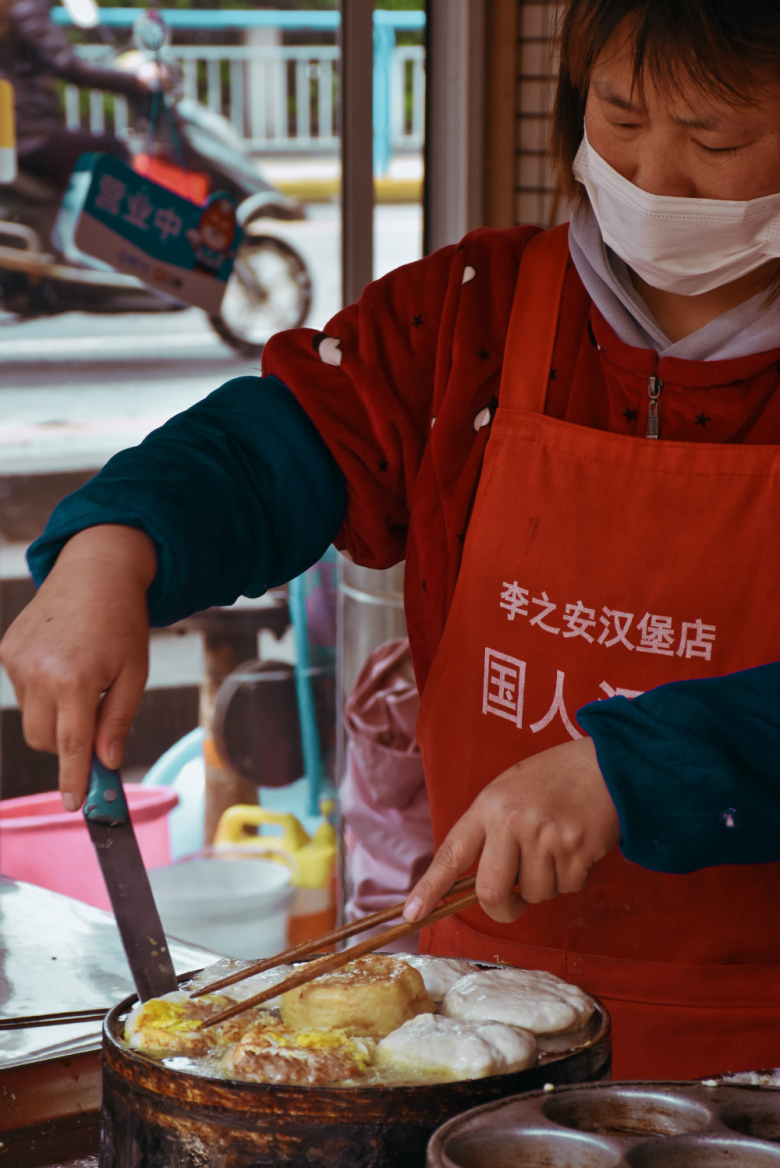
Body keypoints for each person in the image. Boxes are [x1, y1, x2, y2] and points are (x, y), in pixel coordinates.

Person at [3, 0, 780, 1078]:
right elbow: (284, 437)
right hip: (466, 1030)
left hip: (756, 1051)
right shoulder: (477, 310)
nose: (655, 175)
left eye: (716, 140)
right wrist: (115, 544)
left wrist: (636, 767)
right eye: (622, 115)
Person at [0, 0, 159, 190]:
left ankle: (54, 213)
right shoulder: (26, 10)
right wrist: (134, 81)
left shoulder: (17, 10)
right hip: (29, 134)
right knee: (110, 152)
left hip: (16, 131)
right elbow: (68, 65)